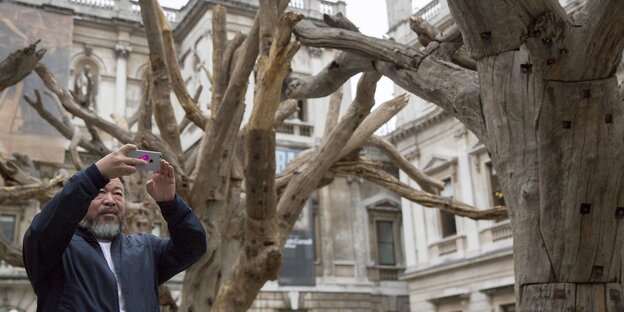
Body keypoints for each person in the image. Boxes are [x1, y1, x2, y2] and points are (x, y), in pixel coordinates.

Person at [22, 144, 207, 311]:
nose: (110, 201)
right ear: (84, 198)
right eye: (100, 192)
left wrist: (171, 204)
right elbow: (42, 230)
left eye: (117, 193)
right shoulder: (57, 251)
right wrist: (95, 174)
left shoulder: (146, 250)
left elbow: (193, 245)